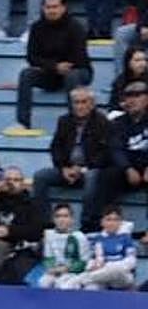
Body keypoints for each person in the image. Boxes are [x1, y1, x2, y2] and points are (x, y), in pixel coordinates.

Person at [10, 0, 92, 133]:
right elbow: (31, 57)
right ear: (43, 8)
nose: (51, 11)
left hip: (78, 71)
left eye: (55, 7)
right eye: (48, 7)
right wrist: (54, 66)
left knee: (72, 75)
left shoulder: (76, 27)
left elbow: (79, 57)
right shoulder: (36, 27)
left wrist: (60, 66)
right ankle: (23, 123)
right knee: (26, 74)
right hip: (50, 72)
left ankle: (75, 123)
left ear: (63, 8)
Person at [31, 86, 109, 231]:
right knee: (40, 176)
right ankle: (44, 224)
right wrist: (63, 168)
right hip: (67, 168)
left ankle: (87, 223)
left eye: (84, 102)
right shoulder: (64, 120)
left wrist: (82, 169)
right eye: (76, 102)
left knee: (92, 177)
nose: (80, 106)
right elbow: (56, 147)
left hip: (90, 169)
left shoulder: (102, 122)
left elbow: (105, 153)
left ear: (92, 104)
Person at [57, 207, 137, 290]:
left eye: (115, 220)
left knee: (115, 271)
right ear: (102, 222)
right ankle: (78, 284)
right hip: (100, 276)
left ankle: (79, 280)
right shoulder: (98, 239)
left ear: (120, 222)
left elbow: (131, 262)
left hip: (122, 277)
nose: (112, 223)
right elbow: (92, 260)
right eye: (108, 220)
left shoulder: (126, 238)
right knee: (91, 287)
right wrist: (92, 265)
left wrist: (108, 266)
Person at [103, 79, 148, 212]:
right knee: (107, 175)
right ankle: (108, 218)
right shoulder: (117, 123)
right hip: (128, 168)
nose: (132, 100)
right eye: (128, 96)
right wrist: (127, 168)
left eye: (137, 95)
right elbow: (115, 149)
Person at [36, 204, 89, 288]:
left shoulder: (79, 236)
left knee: (63, 285)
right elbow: (48, 258)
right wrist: (53, 269)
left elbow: (83, 262)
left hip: (74, 273)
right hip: (55, 271)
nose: (61, 219)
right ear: (53, 219)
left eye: (65, 216)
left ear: (72, 219)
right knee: (43, 282)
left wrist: (66, 269)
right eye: (58, 216)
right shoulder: (49, 234)